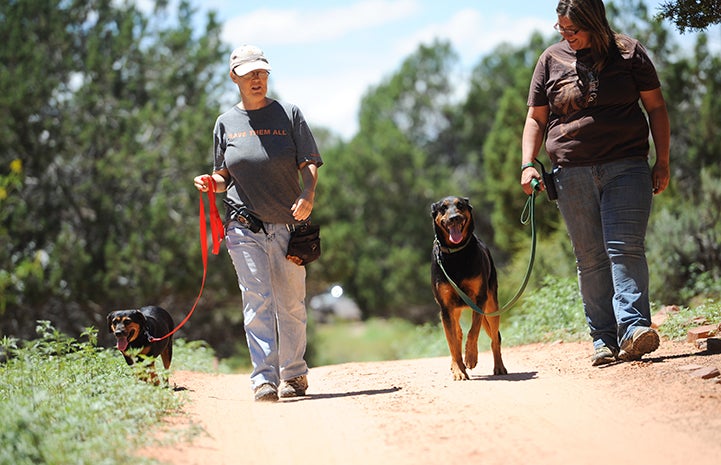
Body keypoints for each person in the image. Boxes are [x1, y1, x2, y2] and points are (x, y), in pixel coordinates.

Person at [520, 0, 670, 366]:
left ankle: (633, 329)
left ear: (595, 24)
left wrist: (662, 160)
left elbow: (656, 108)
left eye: (574, 30)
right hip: (571, 172)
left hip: (627, 166)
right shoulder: (550, 60)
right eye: (562, 30)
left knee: (625, 248)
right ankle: (602, 340)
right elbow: (536, 119)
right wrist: (528, 164)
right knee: (590, 258)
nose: (567, 36)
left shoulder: (629, 53)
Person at [194, 44, 323, 401]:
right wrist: (210, 182)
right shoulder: (225, 124)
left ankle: (294, 375)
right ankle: (264, 379)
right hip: (243, 225)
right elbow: (225, 177)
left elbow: (309, 162)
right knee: (256, 300)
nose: (257, 79)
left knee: (291, 303)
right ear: (234, 76)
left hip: (288, 225)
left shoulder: (289, 114)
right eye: (250, 73)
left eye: (262, 72)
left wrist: (308, 193)